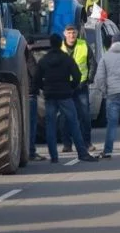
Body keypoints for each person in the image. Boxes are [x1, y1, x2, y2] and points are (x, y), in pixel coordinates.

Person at [36, 34, 97, 163]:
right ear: (60, 44)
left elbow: (37, 79)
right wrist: (71, 87)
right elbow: (77, 75)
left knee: (51, 126)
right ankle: (82, 152)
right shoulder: (67, 59)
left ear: (50, 44)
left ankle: (54, 156)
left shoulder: (43, 60)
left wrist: (45, 88)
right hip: (65, 95)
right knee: (74, 123)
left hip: (50, 96)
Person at [59, 25, 95, 153]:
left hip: (81, 86)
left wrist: (89, 79)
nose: (71, 35)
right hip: (65, 88)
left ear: (77, 33)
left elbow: (92, 62)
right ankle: (67, 144)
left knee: (84, 115)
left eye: (73, 33)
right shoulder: (59, 47)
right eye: (69, 33)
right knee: (64, 117)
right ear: (64, 34)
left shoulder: (83, 45)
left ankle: (87, 143)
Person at [27, 48, 46, 161]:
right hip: (30, 93)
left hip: (24, 93)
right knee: (31, 124)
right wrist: (44, 87)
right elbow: (35, 73)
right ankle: (31, 152)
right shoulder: (27, 55)